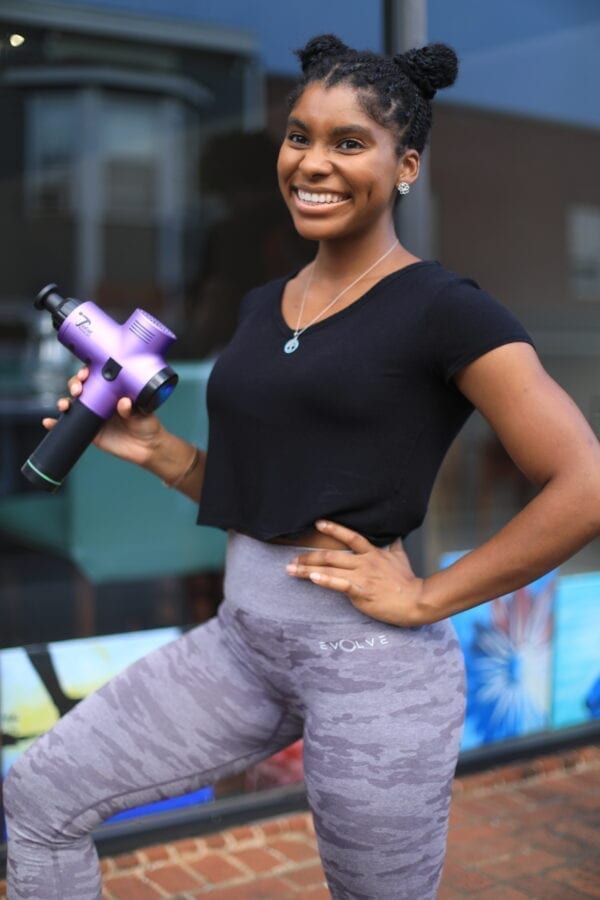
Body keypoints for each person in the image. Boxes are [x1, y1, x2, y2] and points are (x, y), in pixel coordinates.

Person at [4, 34, 600, 900]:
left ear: (407, 166)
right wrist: (163, 454)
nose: (312, 162)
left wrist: (430, 598)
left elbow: (584, 482)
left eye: (348, 142)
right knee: (38, 796)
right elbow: (270, 493)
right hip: (244, 646)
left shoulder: (445, 310)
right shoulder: (261, 306)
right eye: (298, 136)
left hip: (371, 661)